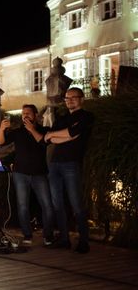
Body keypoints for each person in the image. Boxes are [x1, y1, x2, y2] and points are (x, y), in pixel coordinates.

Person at [44, 87, 94, 254]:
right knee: (58, 204)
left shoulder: (87, 117)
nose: (70, 100)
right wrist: (58, 135)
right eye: (67, 98)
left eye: (74, 97)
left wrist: (56, 135)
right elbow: (54, 138)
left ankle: (83, 241)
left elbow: (73, 133)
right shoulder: (62, 118)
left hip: (71, 164)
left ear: (81, 99)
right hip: (55, 164)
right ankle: (64, 239)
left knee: (76, 204)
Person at [0, 105, 54, 246]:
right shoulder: (18, 132)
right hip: (20, 173)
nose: (25, 115)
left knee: (47, 205)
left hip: (39, 173)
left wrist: (32, 130)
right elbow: (0, 142)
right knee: (22, 206)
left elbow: (43, 142)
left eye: (28, 113)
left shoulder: (44, 130)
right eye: (23, 113)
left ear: (35, 115)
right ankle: (27, 234)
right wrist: (1, 128)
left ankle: (48, 235)